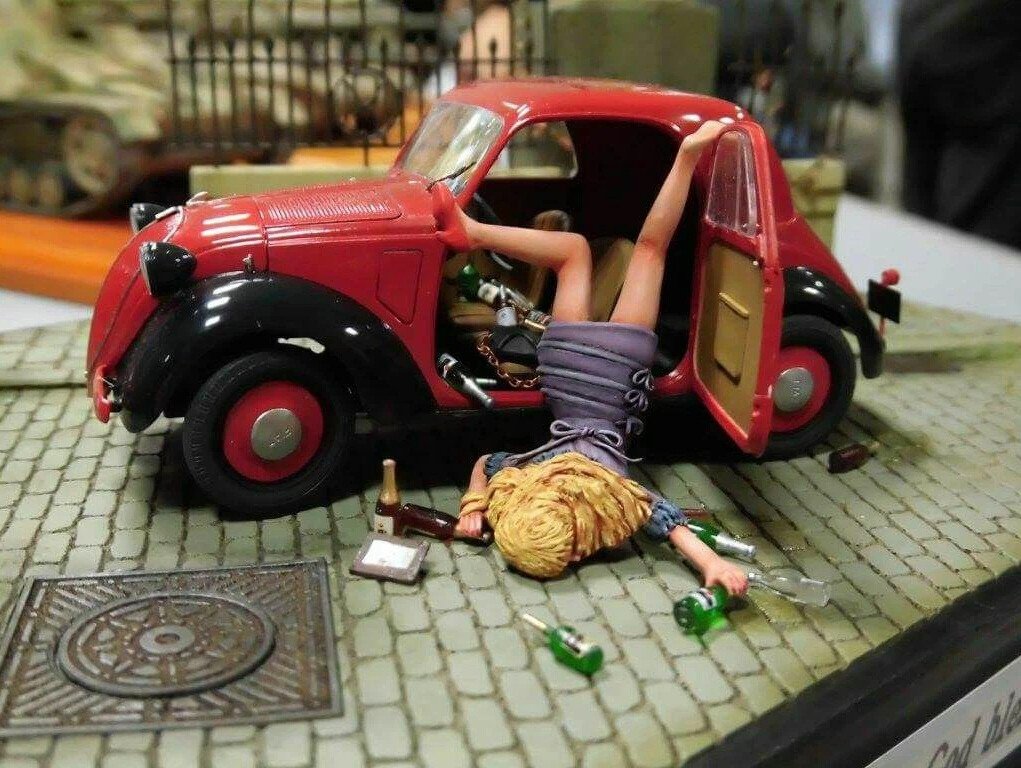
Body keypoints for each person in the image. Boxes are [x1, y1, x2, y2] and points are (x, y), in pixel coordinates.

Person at [431, 119, 749, 598]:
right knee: (574, 254)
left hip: (614, 380)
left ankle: (686, 156)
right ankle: (473, 231)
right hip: (564, 372)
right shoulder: (529, 475)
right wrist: (473, 508)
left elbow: (671, 524)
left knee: (649, 252)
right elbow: (484, 463)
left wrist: (713, 564)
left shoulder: (611, 497)